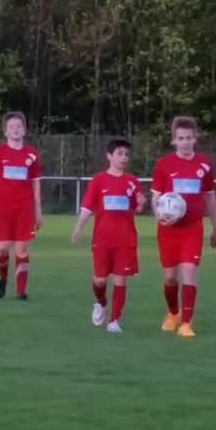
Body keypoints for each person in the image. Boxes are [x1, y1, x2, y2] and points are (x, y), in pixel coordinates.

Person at [150, 116, 216, 337]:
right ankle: (173, 313)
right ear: (173, 140)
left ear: (195, 138)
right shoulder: (163, 164)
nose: (185, 142)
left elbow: (210, 198)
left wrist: (215, 227)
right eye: (180, 138)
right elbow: (156, 198)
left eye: (189, 138)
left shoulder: (204, 164)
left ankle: (186, 323)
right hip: (168, 230)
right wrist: (159, 216)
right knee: (170, 278)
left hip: (193, 228)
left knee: (189, 270)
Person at [71, 138, 145, 332]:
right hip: (102, 239)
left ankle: (114, 321)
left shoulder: (132, 182)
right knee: (100, 280)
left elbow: (138, 209)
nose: (123, 158)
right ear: (109, 156)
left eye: (126, 154)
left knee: (120, 280)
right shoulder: (99, 180)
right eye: (119, 154)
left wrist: (141, 203)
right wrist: (78, 227)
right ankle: (101, 301)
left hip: (126, 239)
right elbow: (87, 207)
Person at [0, 112, 42, 301]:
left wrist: (38, 211)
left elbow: (36, 183)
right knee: (2, 248)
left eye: (19, 126)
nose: (16, 129)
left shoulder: (32, 154)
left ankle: (21, 292)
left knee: (22, 249)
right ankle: (2, 279)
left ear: (24, 130)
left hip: (24, 208)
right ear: (5, 131)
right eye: (11, 126)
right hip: (3, 208)